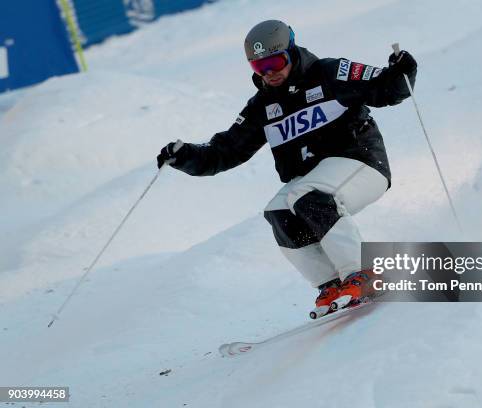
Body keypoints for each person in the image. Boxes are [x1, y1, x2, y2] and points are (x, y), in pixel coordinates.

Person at [157, 20, 417, 318]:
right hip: (314, 179)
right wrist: (185, 156)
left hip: (361, 162)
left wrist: (402, 69)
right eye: (260, 67)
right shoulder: (262, 106)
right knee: (280, 210)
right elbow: (224, 152)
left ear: (291, 53)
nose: (270, 72)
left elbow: (388, 89)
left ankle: (359, 274)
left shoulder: (329, 73)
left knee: (307, 196)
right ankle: (331, 284)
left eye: (275, 62)